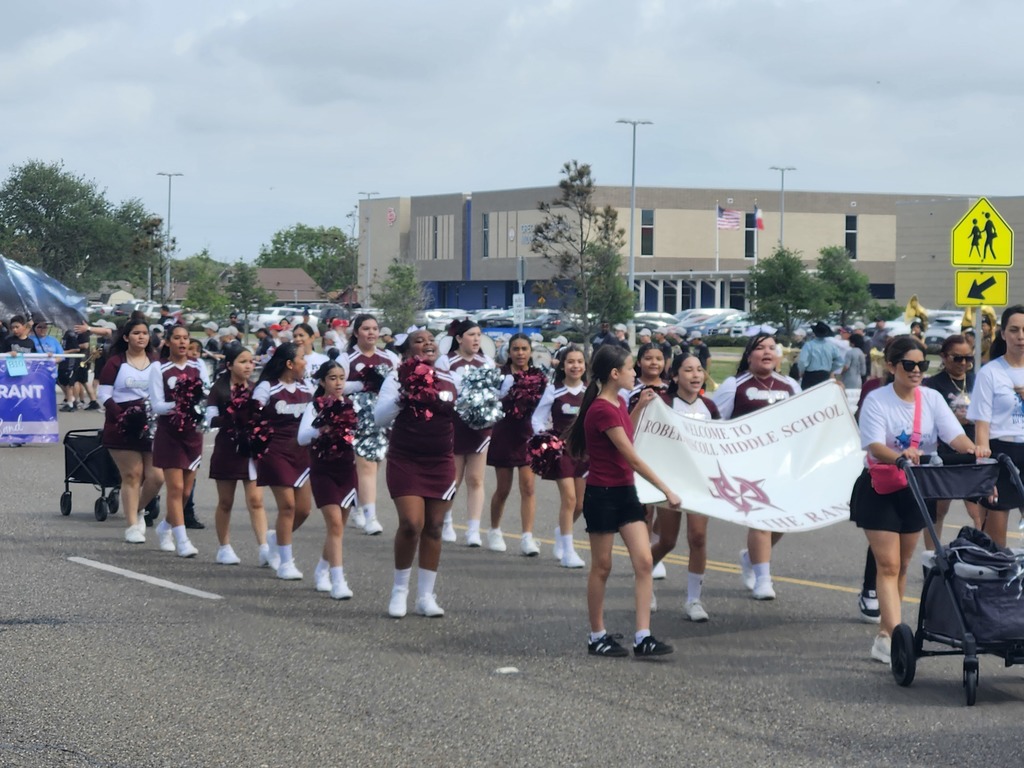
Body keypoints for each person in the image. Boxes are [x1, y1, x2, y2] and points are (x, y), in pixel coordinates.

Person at [852, 335, 983, 664]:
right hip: (880, 487)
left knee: (904, 566)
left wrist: (974, 449)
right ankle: (892, 635)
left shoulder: (931, 398)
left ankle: (888, 634)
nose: (916, 371)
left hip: (915, 488)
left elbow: (953, 435)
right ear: (892, 366)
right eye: (909, 365)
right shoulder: (878, 400)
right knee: (889, 564)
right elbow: (873, 445)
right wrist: (899, 453)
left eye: (922, 366)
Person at [564, 345, 682, 658]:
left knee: (644, 561)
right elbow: (630, 455)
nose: (635, 373)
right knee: (602, 567)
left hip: (625, 492)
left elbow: (621, 434)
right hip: (602, 495)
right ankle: (596, 635)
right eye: (631, 368)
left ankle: (643, 636)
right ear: (615, 374)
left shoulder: (615, 403)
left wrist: (639, 407)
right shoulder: (601, 408)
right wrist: (666, 489)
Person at [374, 328, 460, 618]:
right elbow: (379, 418)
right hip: (406, 459)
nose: (427, 344)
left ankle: (425, 596)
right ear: (409, 350)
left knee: (435, 526)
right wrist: (404, 394)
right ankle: (399, 590)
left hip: (441, 461)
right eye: (419, 341)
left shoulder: (451, 378)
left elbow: (467, 415)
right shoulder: (396, 377)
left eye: (431, 340)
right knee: (412, 523)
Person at [711, 333, 800, 600]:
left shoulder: (791, 385)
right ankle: (764, 578)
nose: (767, 352)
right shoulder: (732, 385)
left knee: (782, 521)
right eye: (760, 348)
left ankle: (750, 557)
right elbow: (715, 423)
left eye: (772, 348)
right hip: (748, 466)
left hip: (782, 465)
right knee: (761, 518)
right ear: (749, 355)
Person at [654, 353, 721, 621]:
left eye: (699, 370)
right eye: (688, 370)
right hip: (670, 481)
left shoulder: (710, 407)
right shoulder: (663, 403)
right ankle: (645, 575)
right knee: (668, 540)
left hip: (699, 481)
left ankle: (694, 600)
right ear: (675, 376)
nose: (695, 375)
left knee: (698, 537)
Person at [205, 344, 273, 567]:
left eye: (251, 361)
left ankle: (264, 548)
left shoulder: (256, 389)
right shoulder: (219, 390)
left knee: (256, 500)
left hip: (251, 450)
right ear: (229, 365)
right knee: (226, 502)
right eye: (243, 361)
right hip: (227, 449)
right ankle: (224, 547)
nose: (248, 366)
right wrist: (233, 416)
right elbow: (210, 419)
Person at [97, 318, 163, 544]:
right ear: (126, 337)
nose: (141, 337)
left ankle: (138, 509)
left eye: (144, 333)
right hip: (122, 423)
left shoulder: (156, 362)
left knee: (157, 477)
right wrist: (121, 415)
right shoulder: (115, 362)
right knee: (132, 475)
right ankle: (132, 526)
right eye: (136, 333)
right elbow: (103, 394)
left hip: (152, 423)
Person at [297, 360, 358, 600]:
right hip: (323, 470)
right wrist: (322, 429)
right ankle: (338, 580)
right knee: (334, 524)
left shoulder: (350, 405)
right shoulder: (314, 407)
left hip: (346, 470)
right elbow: (302, 437)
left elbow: (356, 436)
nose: (338, 382)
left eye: (341, 377)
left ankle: (322, 569)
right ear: (322, 381)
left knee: (338, 528)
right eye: (332, 378)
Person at [148, 324, 210, 558]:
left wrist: (197, 407)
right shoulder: (159, 368)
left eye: (186, 338)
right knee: (175, 488)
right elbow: (157, 405)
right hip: (170, 433)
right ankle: (182, 540)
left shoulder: (199, 366)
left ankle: (165, 526)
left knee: (186, 492)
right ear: (168, 342)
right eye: (177, 338)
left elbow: (204, 396)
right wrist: (180, 405)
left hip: (192, 434)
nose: (183, 343)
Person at [253, 342, 313, 580]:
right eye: (302, 358)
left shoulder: (307, 387)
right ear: (289, 364)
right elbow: (252, 415)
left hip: (301, 453)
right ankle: (286, 562)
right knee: (287, 506)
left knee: (304, 510)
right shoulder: (267, 387)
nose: (305, 363)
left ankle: (274, 539)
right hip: (275, 451)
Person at [968, 305, 1024, 548]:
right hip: (1001, 453)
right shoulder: (990, 373)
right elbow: (982, 426)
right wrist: (985, 472)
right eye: (1014, 330)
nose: (1020, 336)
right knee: (995, 541)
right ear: (1003, 334)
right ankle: (999, 584)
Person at [435, 318, 495, 547]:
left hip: (479, 427)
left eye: (479, 335)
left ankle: (473, 530)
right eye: (471, 335)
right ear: (459, 338)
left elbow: (492, 393)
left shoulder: (487, 361)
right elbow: (440, 392)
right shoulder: (445, 361)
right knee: (453, 478)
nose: (476, 339)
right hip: (454, 425)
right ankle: (447, 521)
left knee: (476, 479)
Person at [487, 333, 546, 556]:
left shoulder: (539, 376)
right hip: (504, 434)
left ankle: (527, 538)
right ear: (509, 352)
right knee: (503, 489)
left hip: (528, 435)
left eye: (524, 349)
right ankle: (494, 530)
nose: (520, 353)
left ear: (530, 351)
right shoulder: (499, 375)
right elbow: (490, 402)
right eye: (516, 349)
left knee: (528, 488)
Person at [531, 344, 588, 568]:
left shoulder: (591, 391)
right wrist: (545, 439)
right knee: (570, 499)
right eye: (571, 362)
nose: (575, 366)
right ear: (562, 365)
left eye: (579, 362)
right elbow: (537, 419)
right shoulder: (553, 390)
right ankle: (568, 551)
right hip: (562, 452)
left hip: (584, 453)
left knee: (581, 505)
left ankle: (560, 533)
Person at [343, 314, 400, 535]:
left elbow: (398, 383)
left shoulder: (390, 358)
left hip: (385, 417)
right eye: (366, 329)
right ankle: (371, 517)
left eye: (375, 329)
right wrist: (363, 384)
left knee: (375, 465)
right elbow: (336, 385)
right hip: (358, 418)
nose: (371, 333)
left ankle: (358, 505)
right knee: (366, 465)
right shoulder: (346, 358)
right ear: (356, 332)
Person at [925, 334, 981, 532]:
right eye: (957, 358)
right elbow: (925, 418)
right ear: (944, 357)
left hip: (974, 448)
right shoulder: (932, 385)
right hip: (944, 452)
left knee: (978, 511)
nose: (963, 363)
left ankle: (984, 555)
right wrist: (951, 420)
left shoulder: (979, 380)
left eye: (968, 358)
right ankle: (933, 557)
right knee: (939, 511)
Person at [798, 321, 844, 388]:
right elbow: (840, 361)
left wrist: (801, 371)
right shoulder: (831, 346)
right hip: (825, 375)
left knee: (809, 396)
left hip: (810, 375)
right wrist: (831, 369)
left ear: (814, 333)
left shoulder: (808, 345)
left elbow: (802, 360)